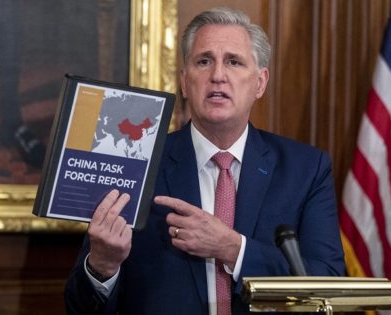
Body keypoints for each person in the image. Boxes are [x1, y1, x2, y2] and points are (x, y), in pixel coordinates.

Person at [65, 7, 345, 314]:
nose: (218, 76)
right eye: (204, 61)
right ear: (185, 82)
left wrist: (233, 249)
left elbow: (328, 284)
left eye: (234, 62)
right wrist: (103, 266)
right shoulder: (135, 162)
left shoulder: (306, 169)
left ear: (260, 83)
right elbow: (80, 307)